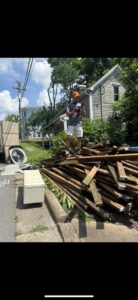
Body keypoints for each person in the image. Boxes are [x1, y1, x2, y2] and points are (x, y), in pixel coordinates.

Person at [66, 91, 86, 155]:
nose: (77, 98)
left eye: (78, 97)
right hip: (71, 123)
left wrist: (82, 109)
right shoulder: (69, 105)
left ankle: (79, 150)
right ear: (73, 98)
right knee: (69, 137)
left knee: (79, 137)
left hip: (79, 123)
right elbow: (68, 114)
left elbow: (84, 114)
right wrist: (74, 110)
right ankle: (67, 151)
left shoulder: (80, 104)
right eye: (75, 97)